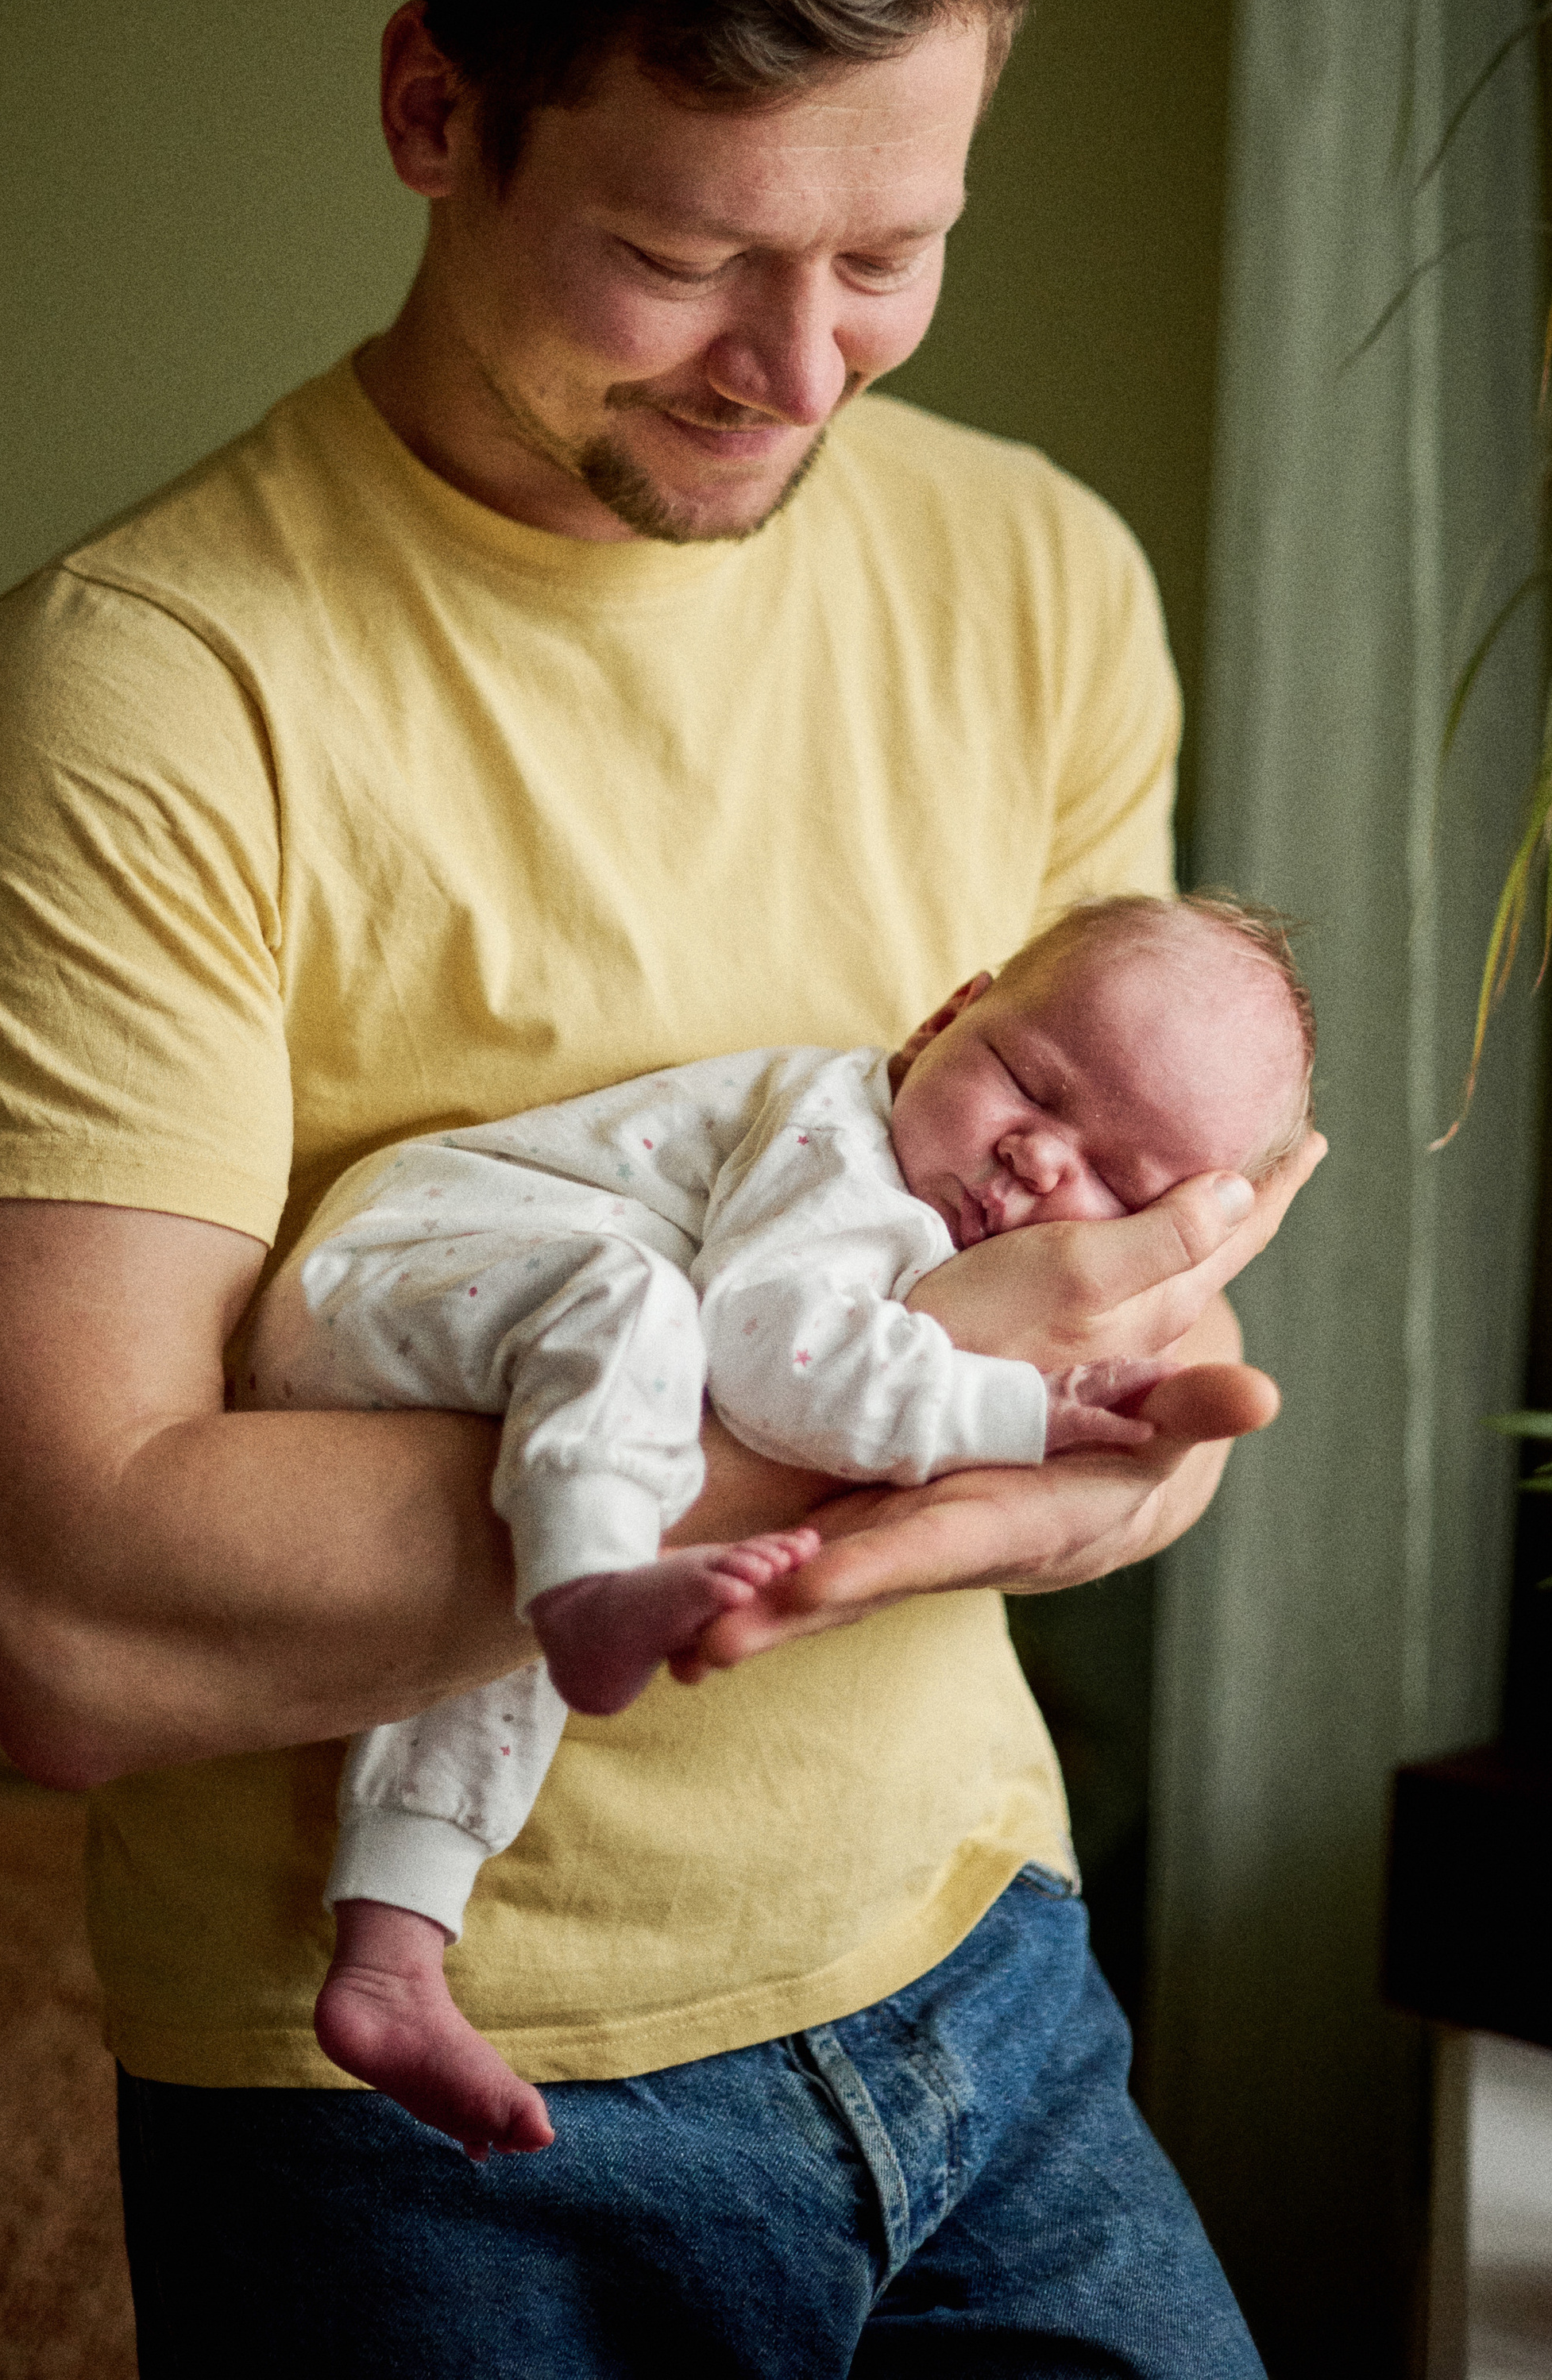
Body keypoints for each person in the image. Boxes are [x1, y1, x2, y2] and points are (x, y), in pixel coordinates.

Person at [0, 0, 1323, 2374]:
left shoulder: (1042, 581)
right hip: (417, 2129)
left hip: (990, 1984)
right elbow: (69, 1616)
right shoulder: (148, 687)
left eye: (892, 257)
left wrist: (1051, 1424)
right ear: (437, 111)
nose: (801, 377)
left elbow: (1155, 1392)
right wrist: (904, 1401)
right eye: (685, 258)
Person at [256, 891, 1315, 2160]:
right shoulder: (842, 1141)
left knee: (536, 1554)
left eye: (1116, 1182)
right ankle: (592, 1591)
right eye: (1029, 1081)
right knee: (629, 1316)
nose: (1040, 1158)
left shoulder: (928, 1204)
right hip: (391, 1273)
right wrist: (1017, 1405)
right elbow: (776, 1362)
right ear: (943, 1020)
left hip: (486, 1339)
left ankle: (388, 1956)